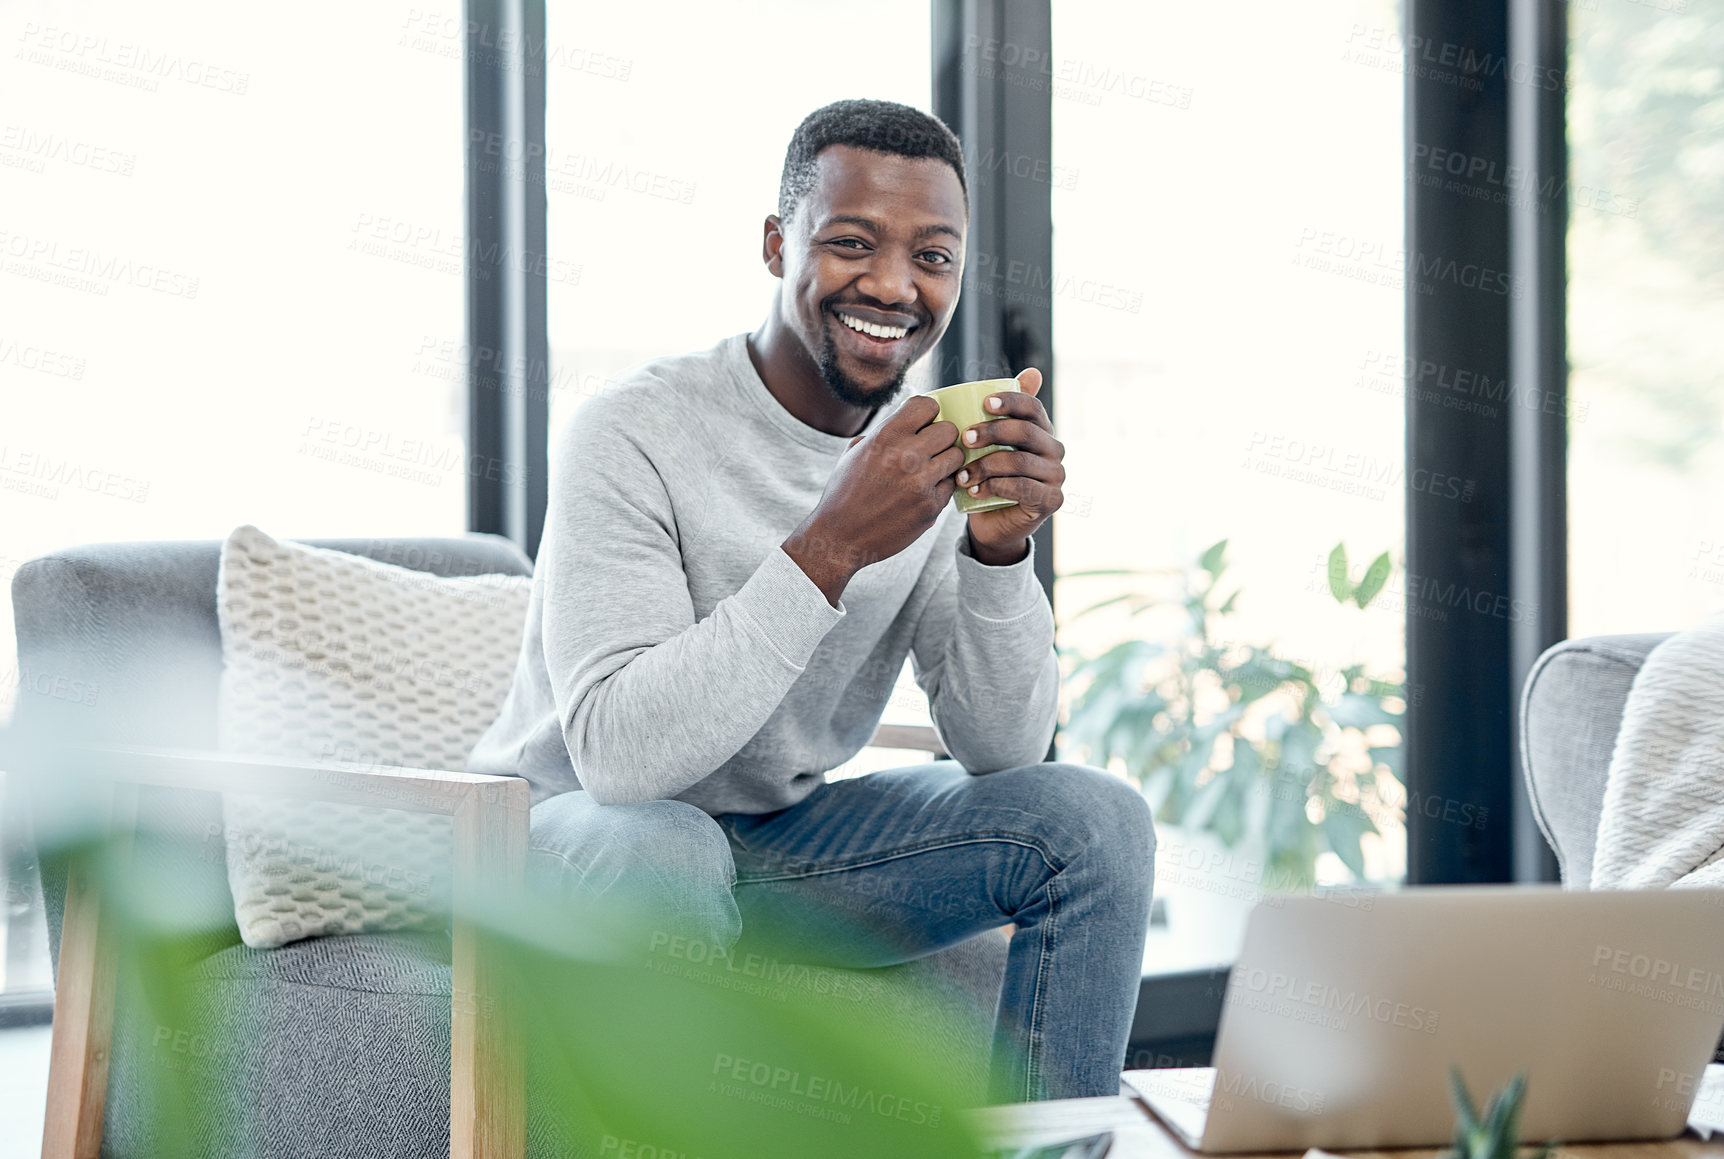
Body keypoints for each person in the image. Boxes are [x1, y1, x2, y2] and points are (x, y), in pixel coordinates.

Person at [467, 97, 1153, 1103]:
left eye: (934, 256)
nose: (892, 286)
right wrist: (829, 545)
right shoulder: (631, 430)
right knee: (664, 846)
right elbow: (619, 760)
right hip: (578, 835)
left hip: (783, 842)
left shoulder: (924, 449)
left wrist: (998, 554)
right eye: (850, 244)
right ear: (775, 242)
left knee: (1095, 820)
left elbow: (1005, 750)